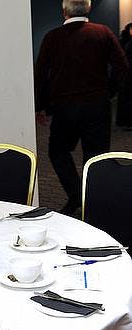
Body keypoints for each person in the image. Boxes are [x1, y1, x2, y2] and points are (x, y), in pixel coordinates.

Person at [35, 0, 128, 215]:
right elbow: (122, 66)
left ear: (64, 11)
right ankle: (92, 201)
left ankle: (76, 195)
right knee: (95, 156)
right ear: (88, 9)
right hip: (97, 105)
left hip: (64, 107)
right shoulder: (103, 33)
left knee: (58, 151)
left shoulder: (52, 37)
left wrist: (40, 106)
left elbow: (41, 74)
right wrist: (110, 91)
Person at [116, 23, 132, 129]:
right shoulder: (126, 41)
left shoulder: (124, 41)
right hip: (127, 74)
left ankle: (126, 121)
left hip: (126, 74)